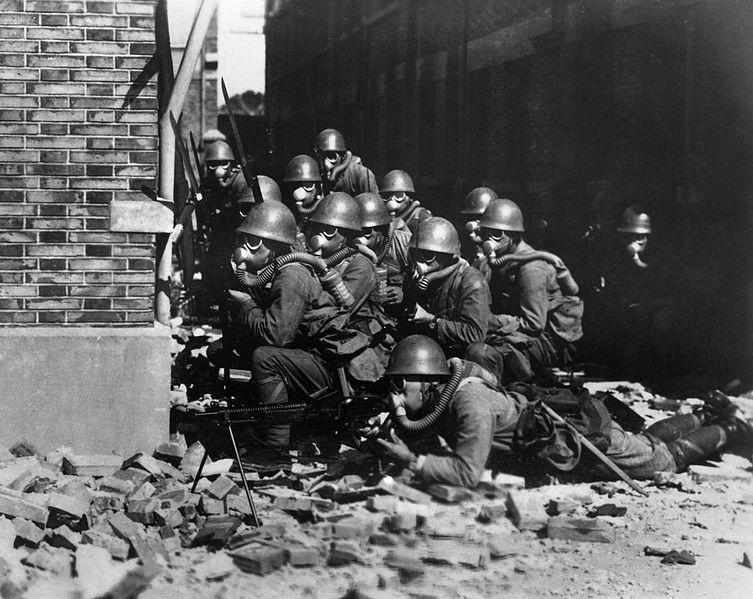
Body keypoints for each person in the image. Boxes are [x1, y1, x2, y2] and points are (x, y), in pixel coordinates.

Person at [372, 336, 753, 488]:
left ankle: (730, 427)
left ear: (425, 381)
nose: (397, 397)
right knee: (648, 440)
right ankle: (705, 414)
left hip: (582, 440)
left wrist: (414, 462)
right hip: (562, 430)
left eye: (398, 387)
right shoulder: (451, 391)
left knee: (663, 460)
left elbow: (467, 473)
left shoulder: (469, 402)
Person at [227, 201, 341, 449]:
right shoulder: (279, 271)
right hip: (313, 358)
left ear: (274, 246)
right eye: (244, 239)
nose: (244, 248)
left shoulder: (291, 275)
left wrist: (247, 305)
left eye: (254, 241)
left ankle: (276, 446)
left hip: (327, 365)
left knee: (264, 357)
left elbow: (276, 337)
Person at [466, 199, 583, 384]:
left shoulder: (531, 269)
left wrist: (491, 321)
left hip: (551, 342)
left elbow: (534, 323)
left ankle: (524, 387)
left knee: (491, 350)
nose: (489, 240)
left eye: (496, 234)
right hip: (527, 330)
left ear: (513, 235)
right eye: (486, 232)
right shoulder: (501, 260)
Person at [401, 217, 491, 358]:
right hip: (426, 349)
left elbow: (475, 334)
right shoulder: (417, 278)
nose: (418, 261)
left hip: (458, 355)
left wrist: (433, 321)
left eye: (428, 255)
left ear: (446, 255)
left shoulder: (470, 280)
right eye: (415, 253)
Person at [354, 192, 411, 309]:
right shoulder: (345, 245)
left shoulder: (404, 243)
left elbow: (426, 282)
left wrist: (406, 294)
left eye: (365, 231)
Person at [313, 128, 378, 196]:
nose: (325, 163)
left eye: (331, 156)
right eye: (322, 157)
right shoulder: (317, 174)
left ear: (343, 156)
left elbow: (373, 203)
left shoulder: (361, 175)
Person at [380, 169, 431, 236]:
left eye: (398, 196)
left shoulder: (421, 217)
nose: (391, 201)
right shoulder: (383, 218)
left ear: (410, 198)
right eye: (386, 196)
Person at [459, 187, 498, 262]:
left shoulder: (503, 250)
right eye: (472, 217)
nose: (476, 223)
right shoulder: (463, 247)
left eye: (481, 217)